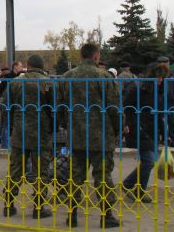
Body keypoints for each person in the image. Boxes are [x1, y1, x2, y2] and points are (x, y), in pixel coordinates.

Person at [60, 43, 120, 228]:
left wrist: (66, 124)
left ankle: (72, 215)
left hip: (77, 136)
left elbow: (60, 105)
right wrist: (118, 129)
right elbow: (114, 108)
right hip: (100, 137)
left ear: (81, 55)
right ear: (96, 56)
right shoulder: (104, 77)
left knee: (75, 177)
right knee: (103, 176)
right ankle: (106, 215)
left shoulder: (67, 77)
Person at [3, 55, 53, 219]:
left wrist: (12, 126)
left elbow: (7, 106)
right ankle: (38, 208)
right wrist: (52, 127)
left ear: (28, 65)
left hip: (20, 132)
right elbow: (54, 109)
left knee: (16, 170)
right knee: (41, 172)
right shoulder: (47, 82)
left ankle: (8, 205)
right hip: (41, 133)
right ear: (41, 65)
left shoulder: (16, 82)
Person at [122, 63, 172, 204]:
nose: (161, 80)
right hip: (137, 128)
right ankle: (131, 186)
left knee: (149, 161)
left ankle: (136, 188)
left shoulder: (159, 90)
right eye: (159, 77)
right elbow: (126, 106)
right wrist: (126, 124)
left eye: (163, 78)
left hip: (151, 129)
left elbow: (160, 113)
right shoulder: (138, 87)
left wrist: (165, 132)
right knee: (149, 161)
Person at [157, 56, 174, 147]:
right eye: (161, 62)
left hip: (170, 101)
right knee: (159, 120)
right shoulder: (156, 74)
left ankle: (173, 140)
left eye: (166, 62)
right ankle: (160, 139)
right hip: (159, 100)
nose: (164, 64)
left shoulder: (173, 74)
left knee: (171, 121)